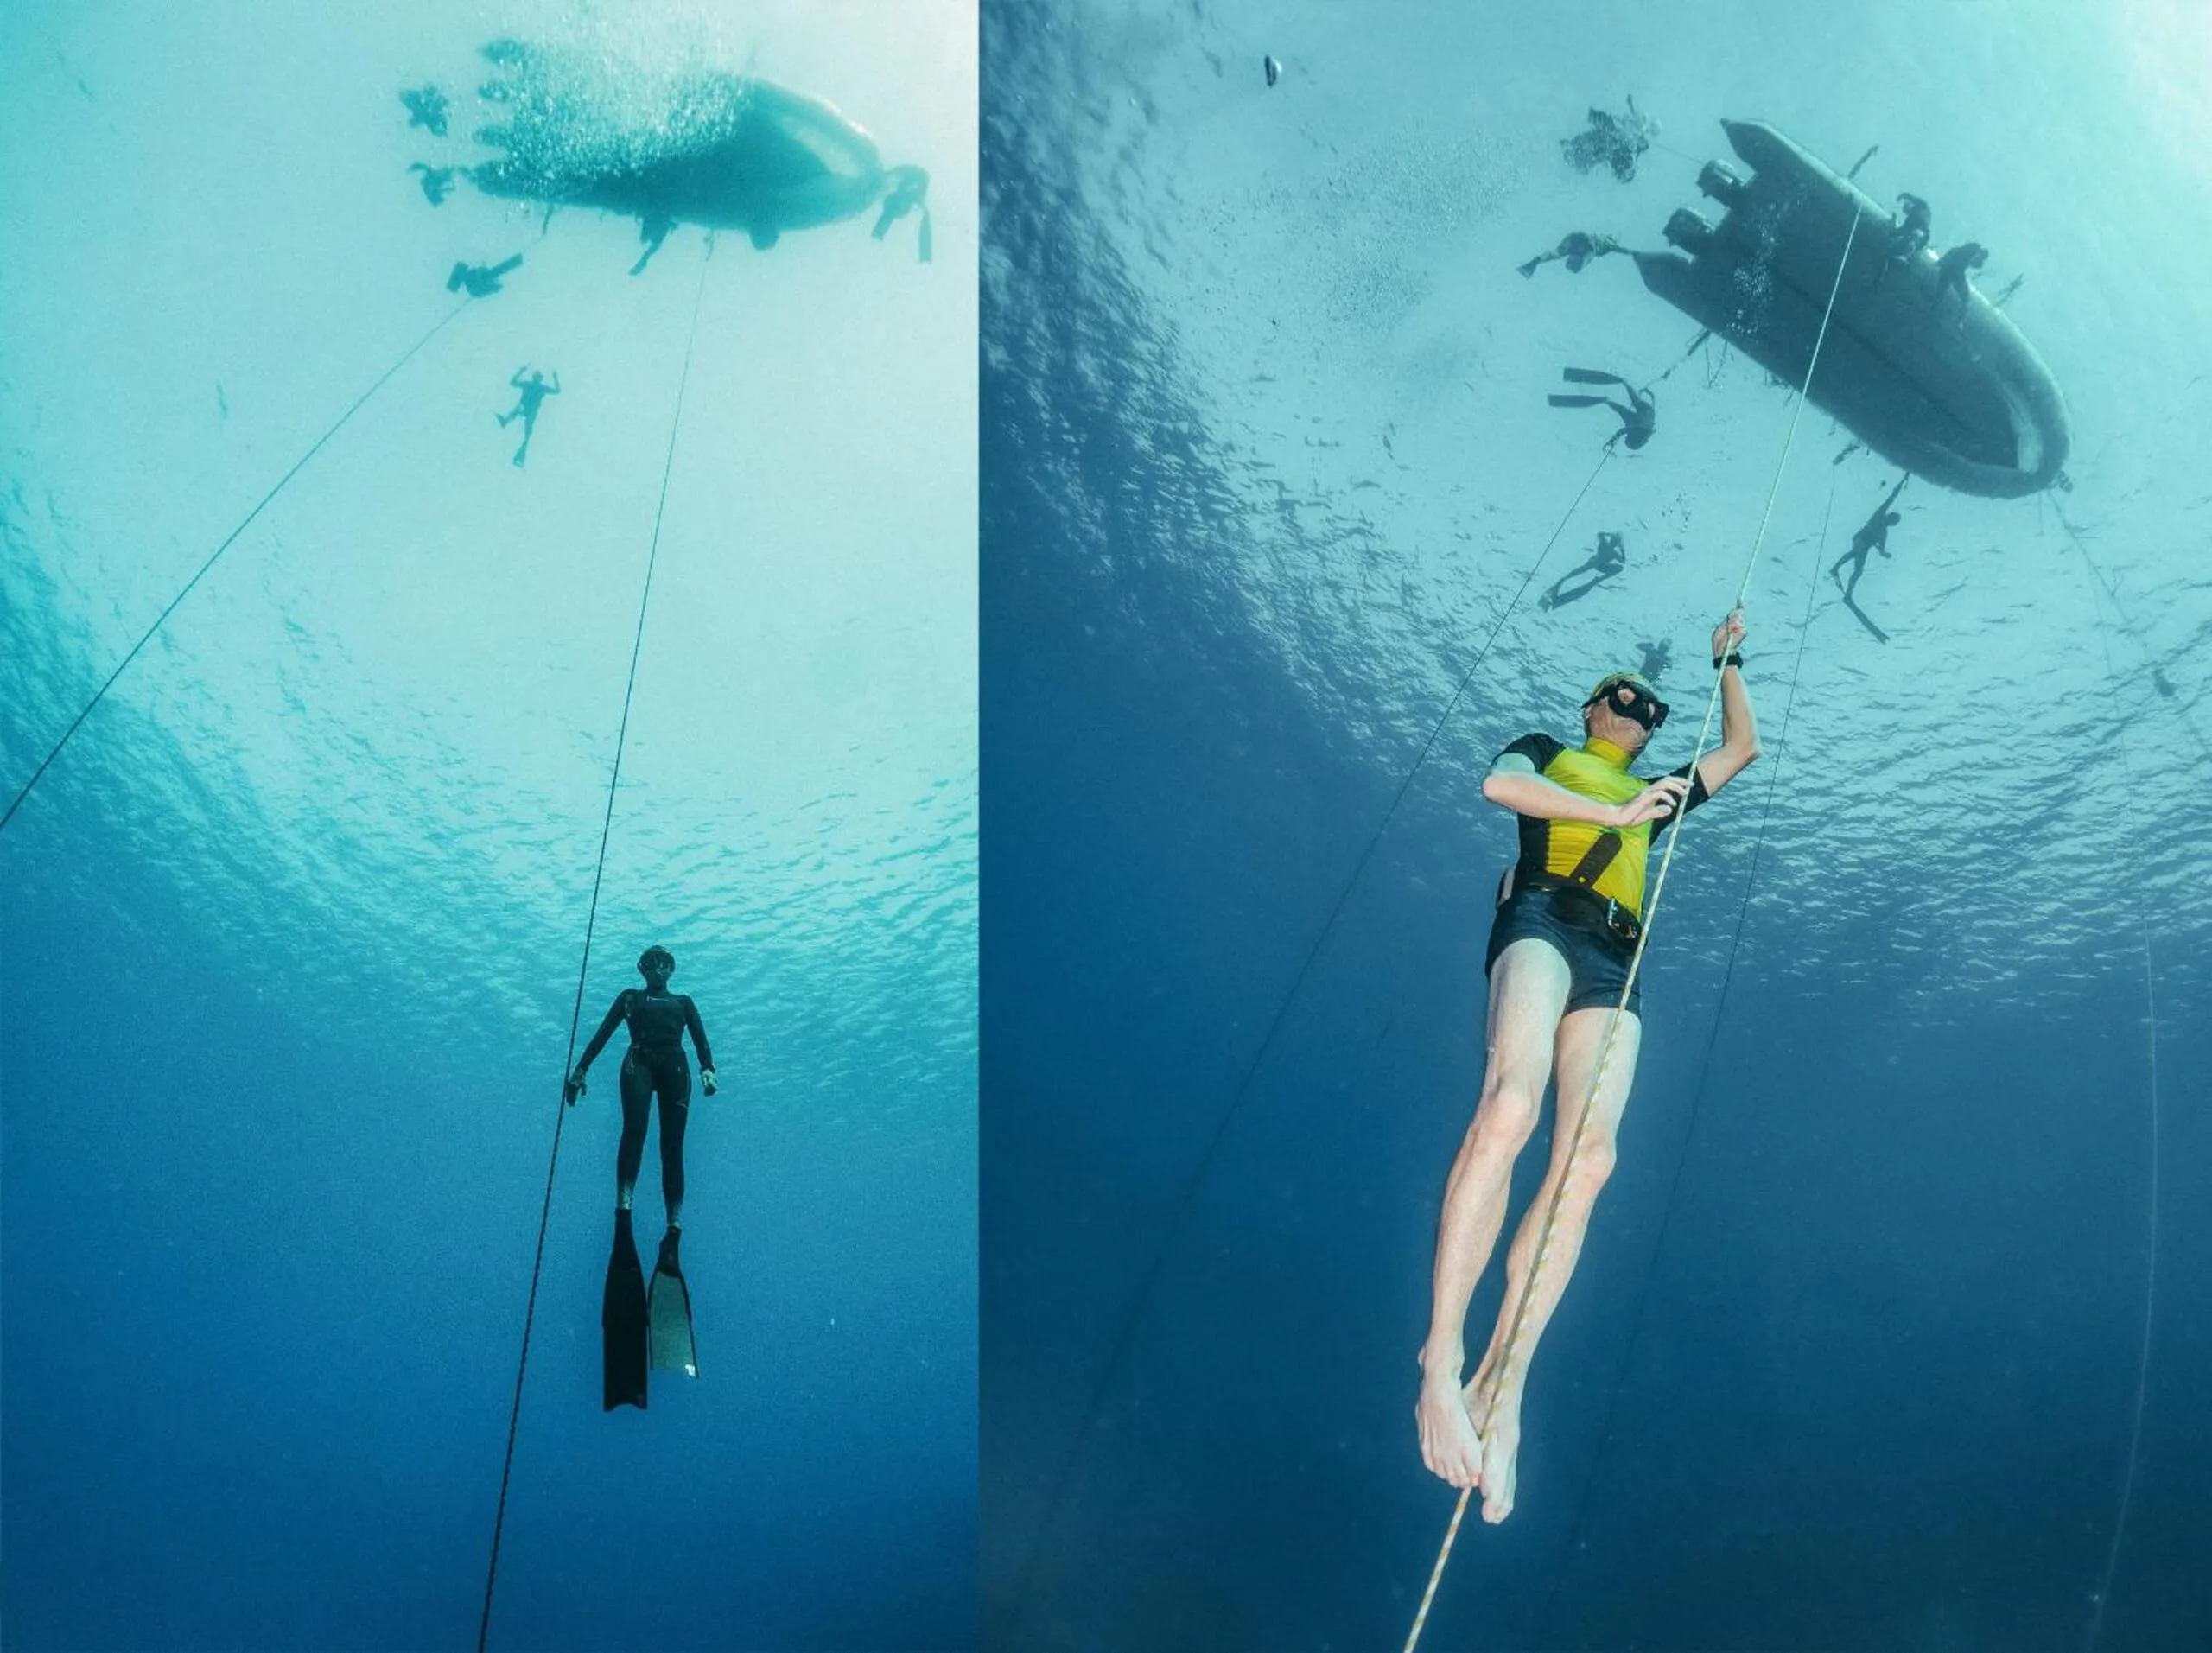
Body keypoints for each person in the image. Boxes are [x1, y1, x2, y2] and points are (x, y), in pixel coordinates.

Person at [1415, 614, 1760, 1523]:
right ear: (1588, 708)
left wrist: (1727, 661)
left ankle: (1503, 1383)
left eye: (1648, 710)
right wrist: (1611, 812)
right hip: (1540, 916)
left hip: (1617, 958)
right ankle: (1441, 1358)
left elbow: (1742, 747)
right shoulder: (1548, 750)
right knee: (1512, 1103)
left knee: (1591, 1157)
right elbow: (1501, 785)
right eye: (1621, 698)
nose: (1636, 714)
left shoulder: (1660, 791)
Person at [568, 946, 716, 1396]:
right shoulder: (630, 998)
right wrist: (580, 1068)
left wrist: (708, 1068)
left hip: (674, 1065)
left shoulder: (684, 1003)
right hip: (639, 1061)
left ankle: (674, 1229)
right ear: (642, 971)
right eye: (650, 964)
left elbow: (701, 1038)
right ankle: (624, 1211)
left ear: (673, 969)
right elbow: (604, 1032)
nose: (657, 970)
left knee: (673, 1149)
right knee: (634, 1131)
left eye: (664, 963)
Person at [1830, 476, 1906, 642]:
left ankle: (1848, 595)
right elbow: (1892, 497)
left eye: (1893, 523)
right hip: (1860, 538)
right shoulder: (1880, 514)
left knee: (1858, 572)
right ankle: (1835, 568)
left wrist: (1884, 554)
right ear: (1889, 516)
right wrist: (1901, 483)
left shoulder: (1884, 533)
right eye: (1892, 519)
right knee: (1855, 551)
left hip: (1865, 547)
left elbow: (1882, 550)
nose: (1891, 523)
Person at [1548, 367, 1655, 451]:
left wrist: (1612, 442)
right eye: (1627, 439)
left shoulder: (1639, 433)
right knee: (1626, 400)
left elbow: (1623, 432)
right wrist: (1611, 442)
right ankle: (1622, 384)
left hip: (1640, 418)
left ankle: (1620, 386)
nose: (1626, 437)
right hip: (1643, 412)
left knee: (1614, 402)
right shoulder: (1637, 431)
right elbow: (1622, 431)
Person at [1560, 99, 1654, 181]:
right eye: (1624, 166)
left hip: (1601, 138)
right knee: (1602, 132)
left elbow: (1597, 158)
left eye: (1619, 169)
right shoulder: (1626, 148)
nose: (1620, 165)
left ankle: (1574, 148)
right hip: (1606, 132)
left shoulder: (1608, 155)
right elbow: (1639, 143)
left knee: (1596, 146)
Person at [1539, 531, 1627, 610]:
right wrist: (1610, 534)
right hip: (1594, 562)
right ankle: (1558, 586)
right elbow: (1600, 534)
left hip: (1601, 566)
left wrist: (1622, 548)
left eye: (1616, 542)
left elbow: (1623, 561)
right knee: (1577, 572)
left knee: (1619, 568)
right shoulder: (1605, 543)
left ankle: (1601, 578)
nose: (1614, 543)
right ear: (1612, 539)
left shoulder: (1614, 553)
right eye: (1614, 540)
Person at [496, 366, 561, 467]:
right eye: (536, 377)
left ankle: (521, 454)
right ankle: (506, 421)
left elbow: (557, 391)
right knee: (520, 413)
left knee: (527, 432)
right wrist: (521, 371)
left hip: (530, 411)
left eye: (538, 378)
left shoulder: (536, 386)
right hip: (527, 409)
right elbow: (513, 382)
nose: (536, 380)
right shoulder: (533, 386)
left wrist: (555, 378)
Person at [1517, 232, 1624, 280]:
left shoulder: (1598, 244)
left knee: (1557, 254)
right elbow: (1587, 258)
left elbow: (1554, 254)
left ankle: (1534, 263)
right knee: (1585, 258)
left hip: (1578, 239)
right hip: (1586, 242)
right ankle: (1534, 264)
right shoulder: (1599, 247)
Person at [1932, 241, 1989, 323]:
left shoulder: (1968, 251)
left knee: (1943, 293)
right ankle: (1936, 311)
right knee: (1944, 293)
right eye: (1981, 257)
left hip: (1952, 271)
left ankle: (1936, 310)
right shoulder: (1972, 249)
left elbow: (1953, 252)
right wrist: (1942, 261)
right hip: (1952, 271)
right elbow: (1955, 254)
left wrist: (1941, 261)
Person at [447, 253, 523, 297]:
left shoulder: (474, 281)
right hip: (477, 286)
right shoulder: (474, 283)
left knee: (496, 271)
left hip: (478, 285)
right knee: (496, 271)